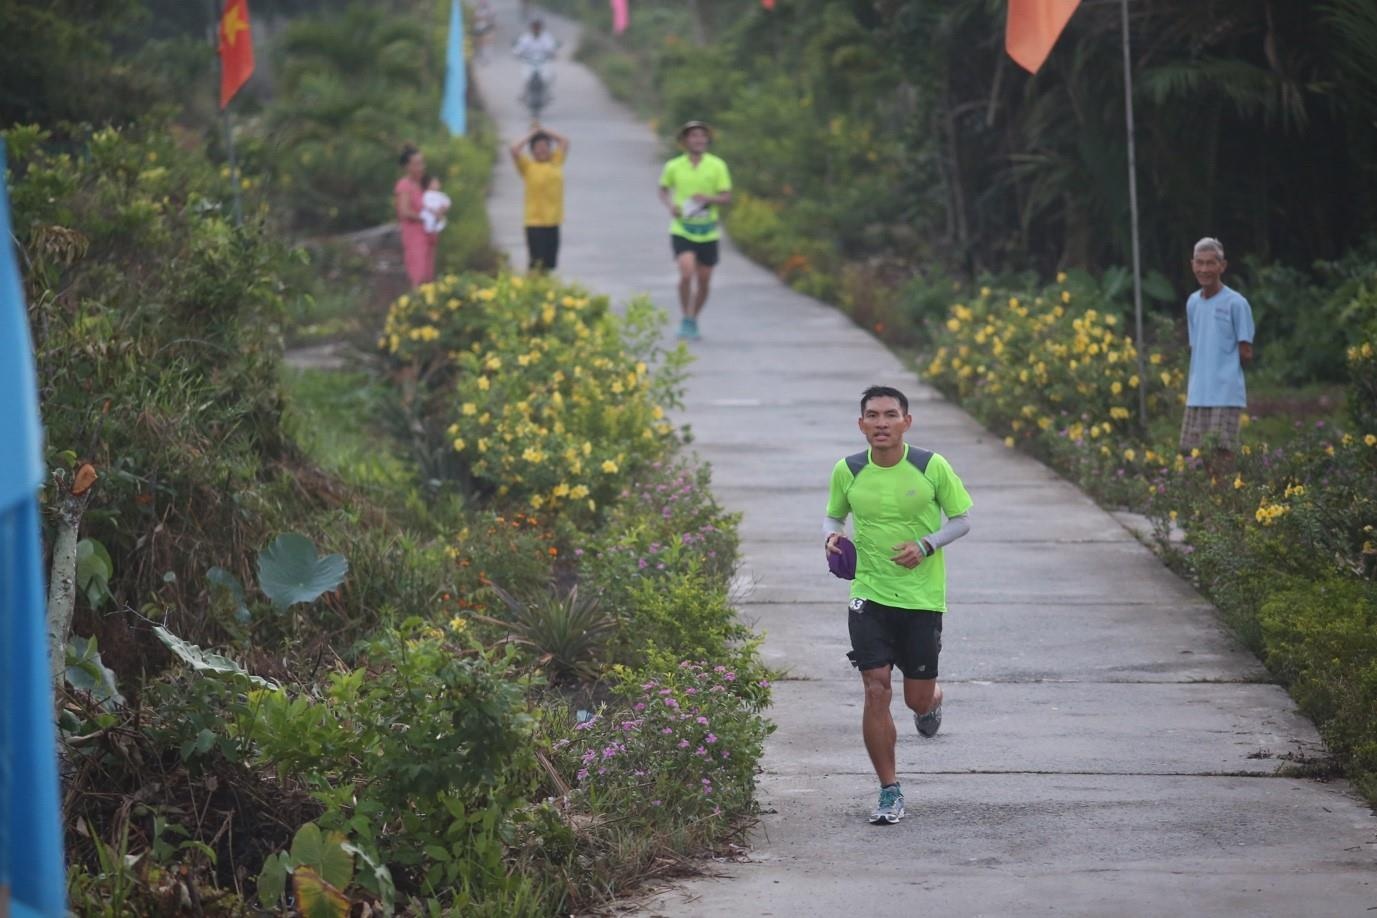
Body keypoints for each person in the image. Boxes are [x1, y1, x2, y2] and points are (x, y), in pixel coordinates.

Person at [824, 385, 973, 826]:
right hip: (868, 592)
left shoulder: (930, 466)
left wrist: (927, 544)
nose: (882, 423)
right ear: (861, 424)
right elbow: (834, 514)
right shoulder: (848, 470)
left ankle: (933, 701)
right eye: (873, 415)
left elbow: (961, 520)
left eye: (891, 415)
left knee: (916, 699)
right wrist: (831, 535)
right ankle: (889, 789)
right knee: (875, 688)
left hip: (921, 597)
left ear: (907, 422)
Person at [1179, 237, 1255, 468]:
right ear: (1192, 264)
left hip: (1224, 394)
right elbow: (1196, 345)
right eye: (1199, 263)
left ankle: (1225, 493)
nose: (1204, 269)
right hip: (1197, 393)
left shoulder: (1236, 303)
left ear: (1222, 266)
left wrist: (1224, 372)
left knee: (1222, 456)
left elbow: (1246, 352)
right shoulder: (1193, 302)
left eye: (1210, 263)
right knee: (1194, 457)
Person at [658, 121, 732, 340]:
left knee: (704, 280)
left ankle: (692, 317)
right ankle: (685, 316)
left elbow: (726, 196)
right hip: (682, 229)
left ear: (707, 140)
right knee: (686, 273)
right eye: (693, 136)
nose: (698, 139)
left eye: (702, 135)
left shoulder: (717, 165)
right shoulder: (674, 166)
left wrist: (707, 198)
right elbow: (663, 189)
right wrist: (670, 206)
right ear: (685, 141)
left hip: (708, 231)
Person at [509, 126, 570, 272]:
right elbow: (514, 149)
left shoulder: (556, 161)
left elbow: (564, 141)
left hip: (553, 221)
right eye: (538, 147)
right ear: (532, 151)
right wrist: (532, 134)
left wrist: (544, 131)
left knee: (549, 264)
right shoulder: (528, 166)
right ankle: (532, 284)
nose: (542, 150)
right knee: (536, 263)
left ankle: (544, 285)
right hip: (535, 222)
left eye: (545, 147)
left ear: (550, 149)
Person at [394, 146, 436, 287]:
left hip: (429, 233)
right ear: (407, 167)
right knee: (418, 273)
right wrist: (424, 217)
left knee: (429, 274)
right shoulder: (404, 185)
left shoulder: (425, 184)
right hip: (414, 234)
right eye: (417, 164)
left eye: (422, 163)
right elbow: (404, 211)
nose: (421, 167)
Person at [513, 18, 559, 105]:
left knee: (549, 75)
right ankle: (524, 93)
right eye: (534, 27)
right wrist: (516, 53)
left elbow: (551, 48)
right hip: (529, 61)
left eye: (538, 27)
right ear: (531, 28)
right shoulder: (525, 38)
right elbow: (519, 48)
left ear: (541, 28)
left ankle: (548, 93)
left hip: (543, 61)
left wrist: (553, 53)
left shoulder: (547, 37)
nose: (536, 29)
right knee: (526, 77)